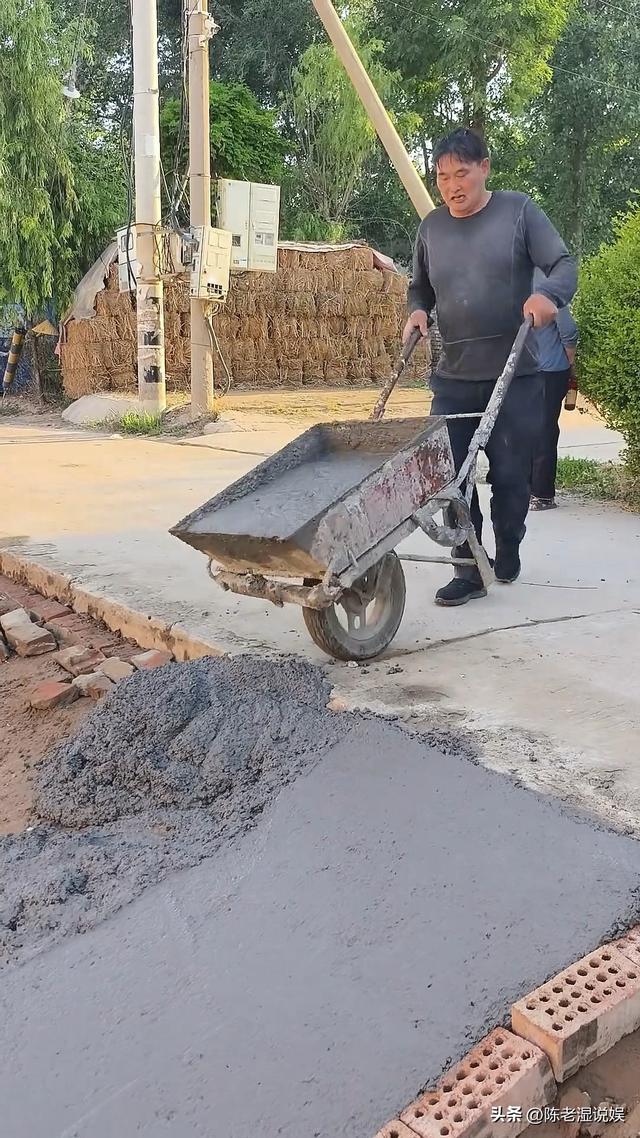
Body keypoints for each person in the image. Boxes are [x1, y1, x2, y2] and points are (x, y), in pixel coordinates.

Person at [403, 128, 577, 607]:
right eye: (442, 177)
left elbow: (563, 265)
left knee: (510, 476)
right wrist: (416, 311)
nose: (452, 186)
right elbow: (420, 288)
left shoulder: (519, 212)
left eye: (461, 173)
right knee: (450, 476)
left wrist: (548, 295)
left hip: (516, 372)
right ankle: (468, 567)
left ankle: (509, 543)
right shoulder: (431, 228)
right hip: (454, 376)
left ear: (484, 168)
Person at [530, 267, 579, 510]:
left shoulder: (540, 283)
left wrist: (567, 361)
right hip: (537, 370)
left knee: (541, 430)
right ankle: (535, 492)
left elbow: (568, 329)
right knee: (537, 430)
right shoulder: (536, 279)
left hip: (544, 371)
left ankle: (541, 493)